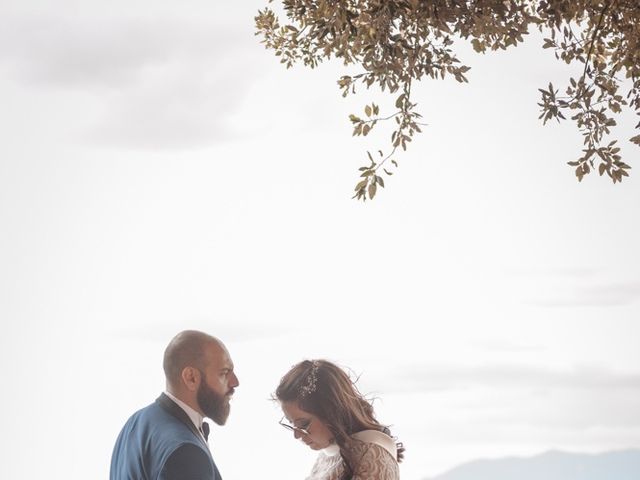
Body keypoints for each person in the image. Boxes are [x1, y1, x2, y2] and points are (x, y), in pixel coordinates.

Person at [110, 330, 239, 480]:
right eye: (224, 373)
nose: (235, 382)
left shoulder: (136, 423)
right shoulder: (186, 453)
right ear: (191, 378)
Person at [275, 359, 403, 480]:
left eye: (303, 424)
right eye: (291, 424)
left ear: (332, 412)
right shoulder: (327, 454)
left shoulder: (371, 453)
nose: (296, 435)